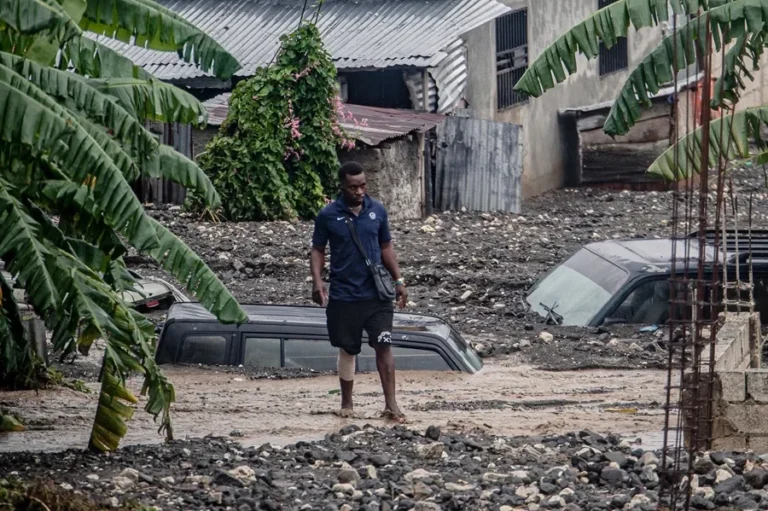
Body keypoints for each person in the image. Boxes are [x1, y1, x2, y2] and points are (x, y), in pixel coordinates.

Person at [310, 161, 408, 423]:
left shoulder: (377, 211)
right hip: (344, 295)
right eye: (353, 187)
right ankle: (347, 403)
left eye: (363, 185)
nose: (359, 191)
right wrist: (317, 281)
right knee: (348, 349)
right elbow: (318, 250)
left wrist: (398, 280)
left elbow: (386, 247)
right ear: (342, 186)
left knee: (384, 346)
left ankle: (391, 405)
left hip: (377, 294)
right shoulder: (328, 215)